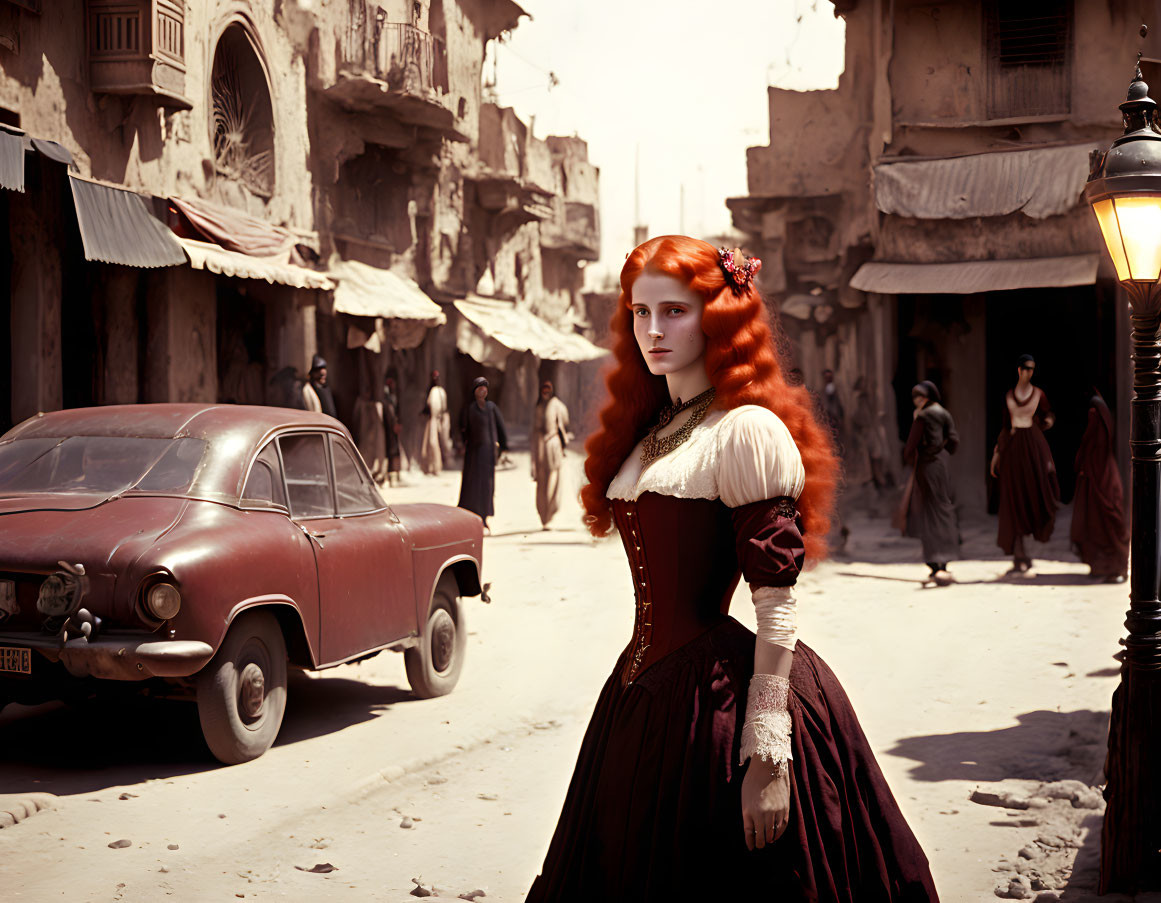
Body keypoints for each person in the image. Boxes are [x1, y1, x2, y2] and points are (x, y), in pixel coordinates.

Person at [526, 237, 938, 901]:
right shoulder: (653, 432)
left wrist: (768, 752)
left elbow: (775, 606)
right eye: (639, 312)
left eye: (674, 311)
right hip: (639, 701)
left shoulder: (742, 431)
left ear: (716, 315)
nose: (652, 330)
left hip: (714, 704)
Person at [990, 354, 1060, 573]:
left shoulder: (1039, 394)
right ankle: (1019, 552)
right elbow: (1004, 425)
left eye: (1032, 369)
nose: (1029, 372)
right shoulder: (1009, 395)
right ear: (1019, 370)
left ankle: (1026, 552)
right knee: (1013, 497)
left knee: (1034, 493)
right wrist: (997, 453)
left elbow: (1048, 415)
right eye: (1026, 368)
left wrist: (1047, 422)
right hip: (1012, 447)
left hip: (1032, 445)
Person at [897, 381, 959, 586]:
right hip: (942, 465)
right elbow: (954, 441)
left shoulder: (922, 416)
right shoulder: (944, 413)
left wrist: (912, 458)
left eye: (919, 397)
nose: (917, 401)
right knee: (942, 508)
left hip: (926, 466)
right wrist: (940, 450)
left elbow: (911, 445)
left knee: (929, 512)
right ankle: (945, 560)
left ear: (926, 398)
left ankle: (935, 561)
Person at [1072, 387, 1128, 582]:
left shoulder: (1096, 413)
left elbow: (1092, 441)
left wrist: (1084, 465)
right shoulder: (1101, 412)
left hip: (1099, 473)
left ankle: (1116, 568)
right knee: (1099, 521)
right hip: (1101, 472)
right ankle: (1105, 566)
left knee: (1105, 520)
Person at [457, 377, 508, 532]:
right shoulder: (469, 408)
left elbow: (500, 428)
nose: (483, 390)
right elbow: (462, 428)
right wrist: (463, 444)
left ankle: (484, 518)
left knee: (486, 486)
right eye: (479, 388)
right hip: (473, 454)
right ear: (475, 391)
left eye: (485, 387)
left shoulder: (491, 408)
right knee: (472, 485)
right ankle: (471, 517)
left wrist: (503, 447)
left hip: (487, 455)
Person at [531, 381, 572, 529]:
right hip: (540, 446)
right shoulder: (539, 406)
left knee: (553, 481)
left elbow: (565, 423)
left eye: (548, 389)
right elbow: (535, 429)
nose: (546, 392)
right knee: (541, 480)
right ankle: (543, 516)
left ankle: (550, 515)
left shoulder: (557, 405)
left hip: (553, 445)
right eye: (544, 389)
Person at [419, 370, 451, 476]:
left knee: (440, 443)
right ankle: (431, 466)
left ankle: (438, 466)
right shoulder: (431, 391)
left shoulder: (441, 391)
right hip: (432, 419)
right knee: (431, 443)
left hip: (440, 418)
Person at [383, 376, 403, 487]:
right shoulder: (386, 400)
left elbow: (398, 412)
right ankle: (389, 476)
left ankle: (396, 474)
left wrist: (399, 424)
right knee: (389, 451)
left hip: (394, 429)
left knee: (395, 450)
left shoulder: (394, 398)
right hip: (388, 429)